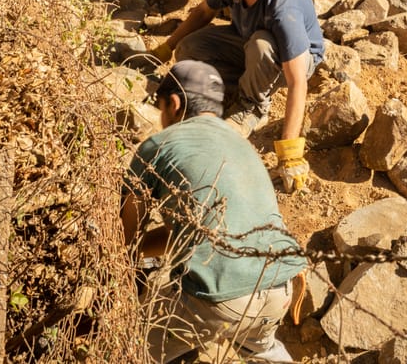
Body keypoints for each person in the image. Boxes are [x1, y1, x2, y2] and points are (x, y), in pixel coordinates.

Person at [121, 60, 305, 362]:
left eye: (161, 108)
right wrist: (146, 251)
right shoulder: (242, 145)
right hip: (280, 285)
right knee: (262, 349)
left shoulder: (157, 145)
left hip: (219, 296)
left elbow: (122, 238)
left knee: (130, 349)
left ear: (175, 103)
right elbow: (194, 229)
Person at [153, 0, 323, 149]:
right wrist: (167, 48)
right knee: (190, 47)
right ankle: (232, 92)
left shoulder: (282, 7)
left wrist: (290, 152)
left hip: (293, 59)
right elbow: (204, 12)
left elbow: (297, 82)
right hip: (248, 41)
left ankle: (252, 107)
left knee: (261, 45)